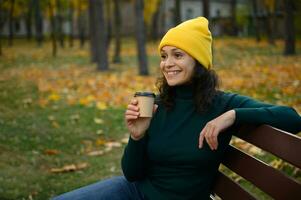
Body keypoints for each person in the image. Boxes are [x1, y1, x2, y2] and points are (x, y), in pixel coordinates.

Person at [53, 17, 301, 200]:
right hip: (135, 193)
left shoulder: (223, 104)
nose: (167, 64)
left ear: (199, 61)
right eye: (164, 56)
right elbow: (132, 174)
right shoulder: (158, 104)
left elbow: (291, 119)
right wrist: (137, 136)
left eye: (178, 55)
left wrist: (233, 115)